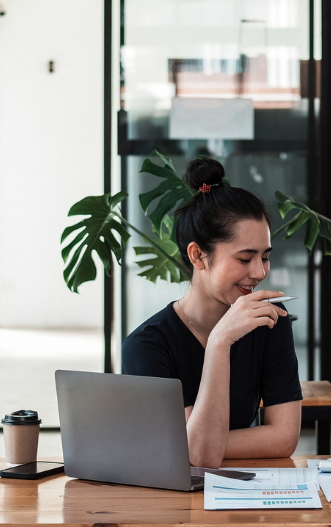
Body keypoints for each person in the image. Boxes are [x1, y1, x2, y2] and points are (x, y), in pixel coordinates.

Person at [121, 158, 302, 469]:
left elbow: (284, 438)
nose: (259, 272)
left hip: (242, 494)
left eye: (265, 257)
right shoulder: (147, 346)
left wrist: (199, 443)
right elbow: (199, 455)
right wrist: (220, 341)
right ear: (198, 256)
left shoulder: (269, 319)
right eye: (245, 259)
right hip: (164, 502)